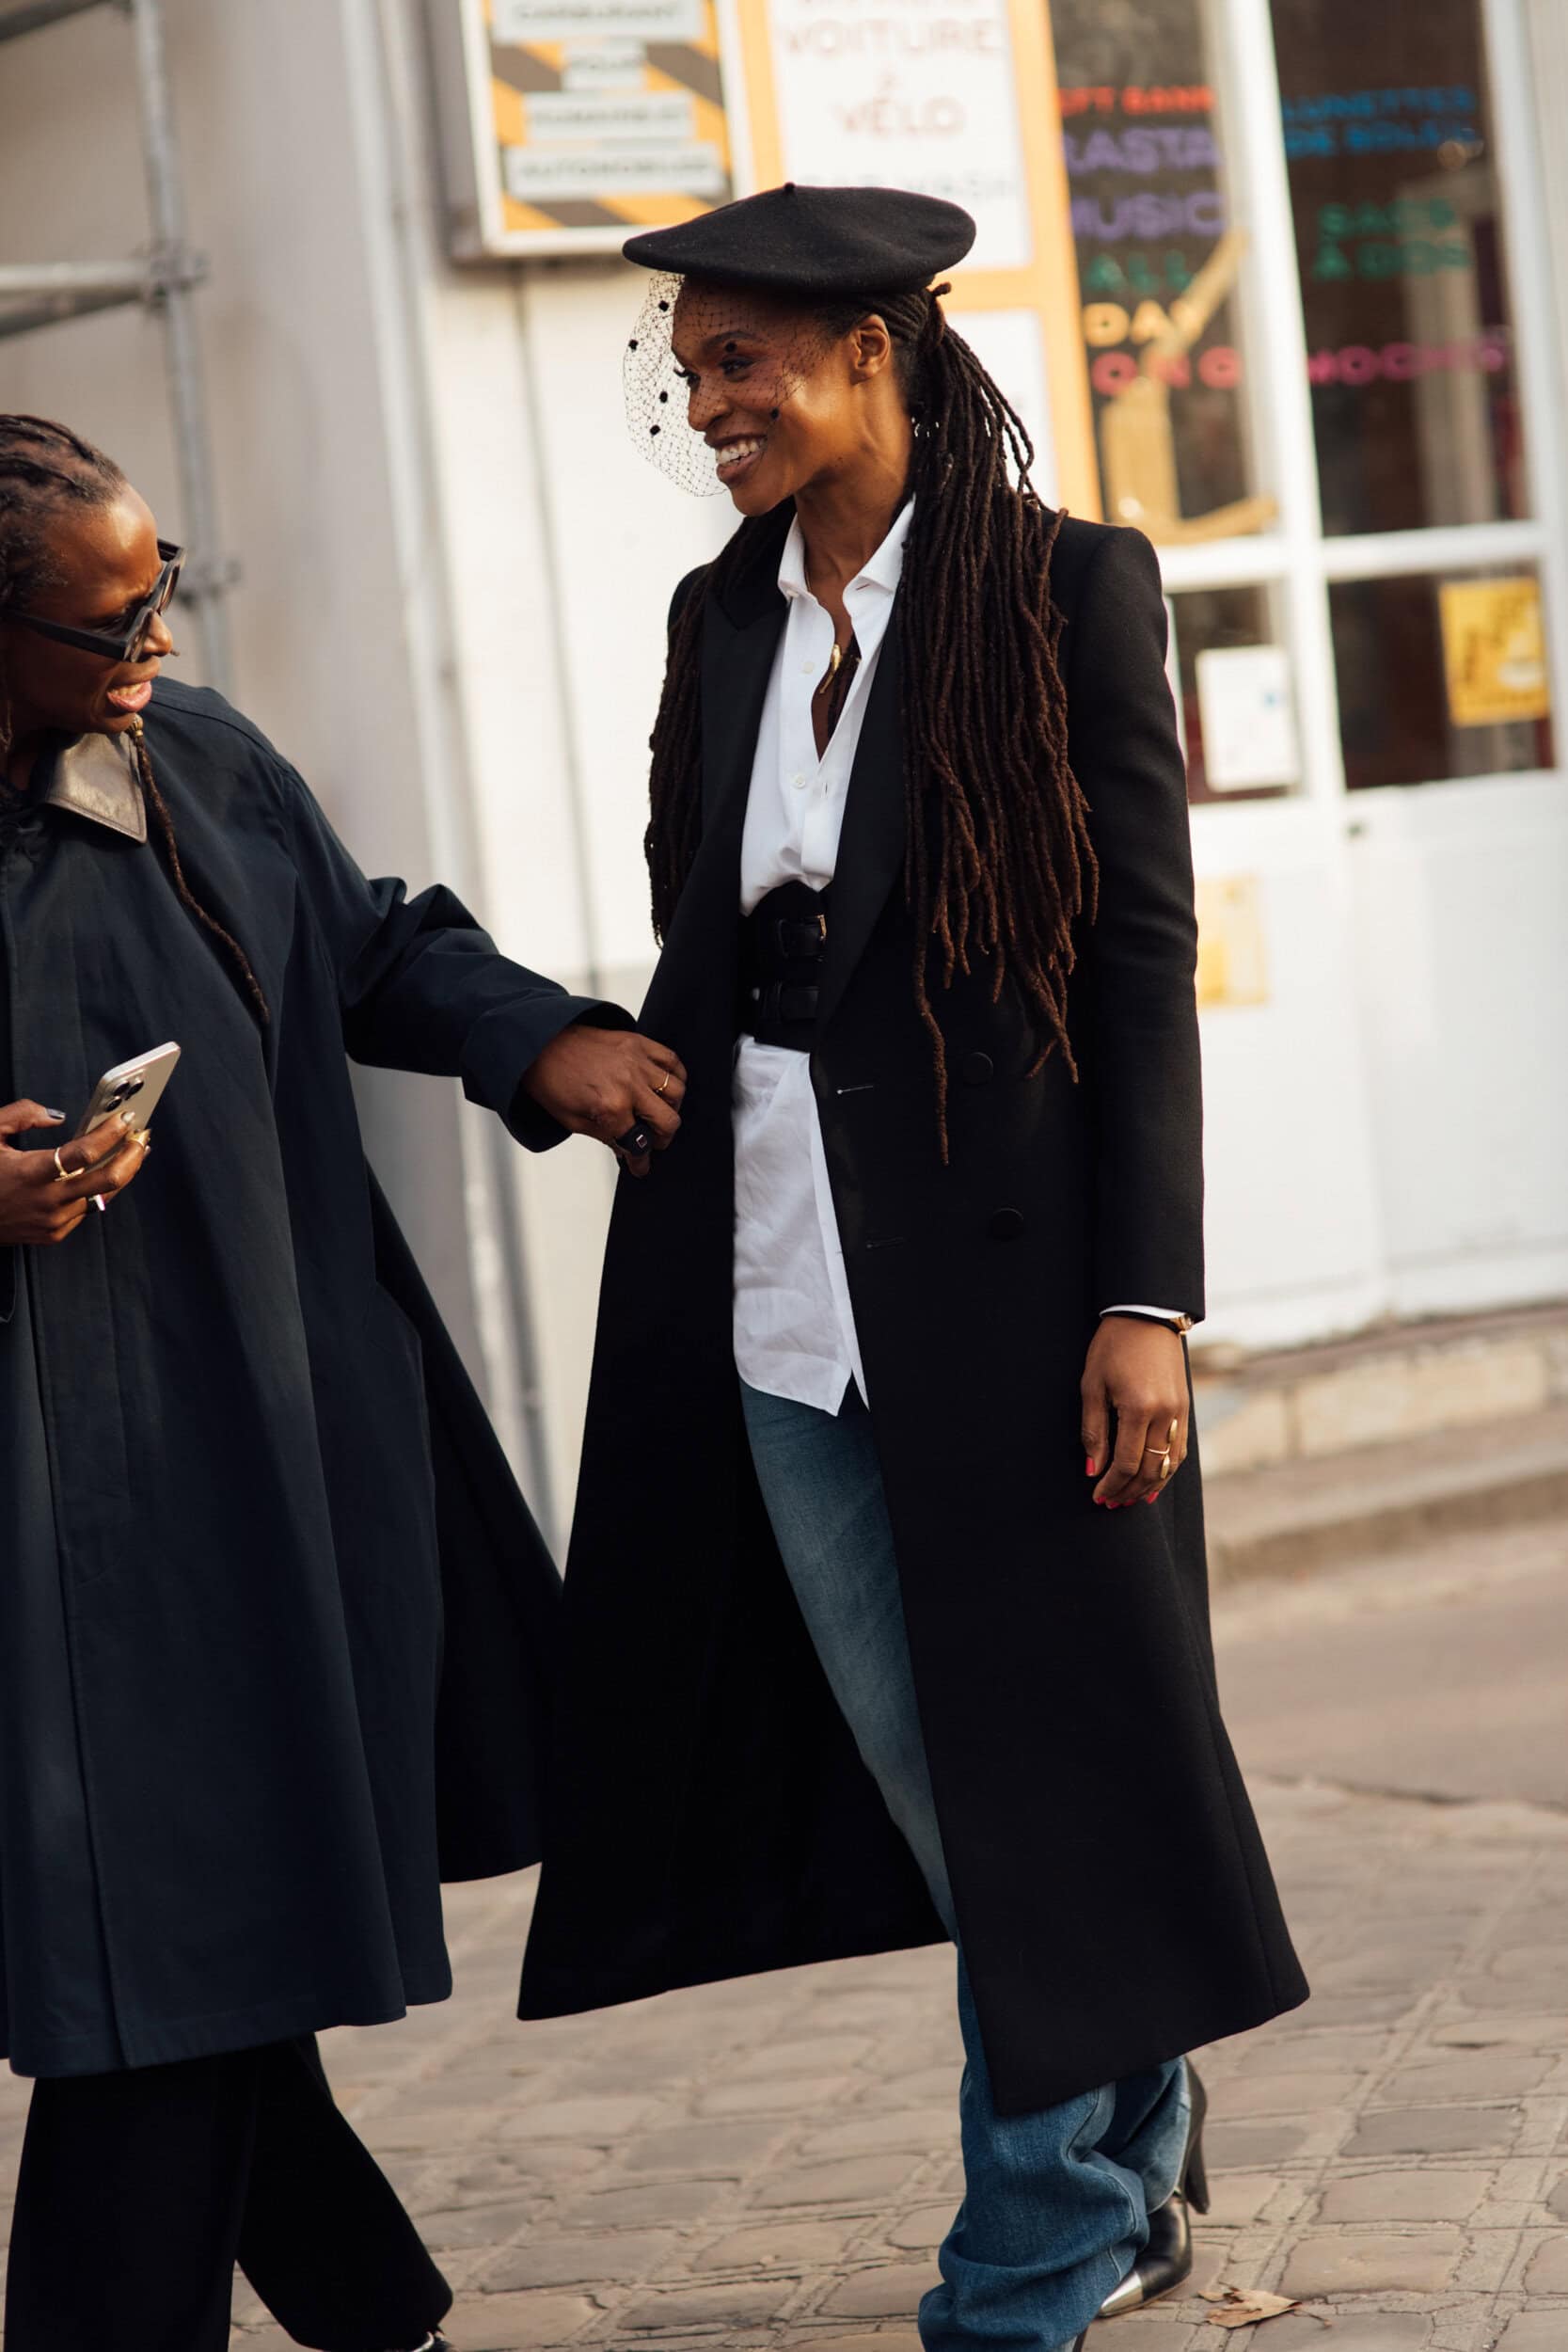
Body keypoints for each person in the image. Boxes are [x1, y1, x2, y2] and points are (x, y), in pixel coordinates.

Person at [516, 187, 1308, 2352]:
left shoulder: (1062, 591)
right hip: (770, 1290)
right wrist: (586, 1056)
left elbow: (1138, 954)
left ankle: (1033, 2248)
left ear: (874, 347)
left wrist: (1148, 1293)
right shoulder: (719, 618)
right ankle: (1132, 2143)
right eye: (687, 374)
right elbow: (718, 923)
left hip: (1019, 1297)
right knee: (951, 1785)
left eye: (740, 364)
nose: (712, 408)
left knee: (1049, 1775)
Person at [0, 413, 686, 2352]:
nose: (151, 645)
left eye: (164, 594)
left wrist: (537, 1039)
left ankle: (384, 2312)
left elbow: (368, 937)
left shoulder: (194, 756)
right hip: (58, 1502)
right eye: (106, 621)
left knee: (217, 1915)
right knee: (173, 1933)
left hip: (272, 1441)